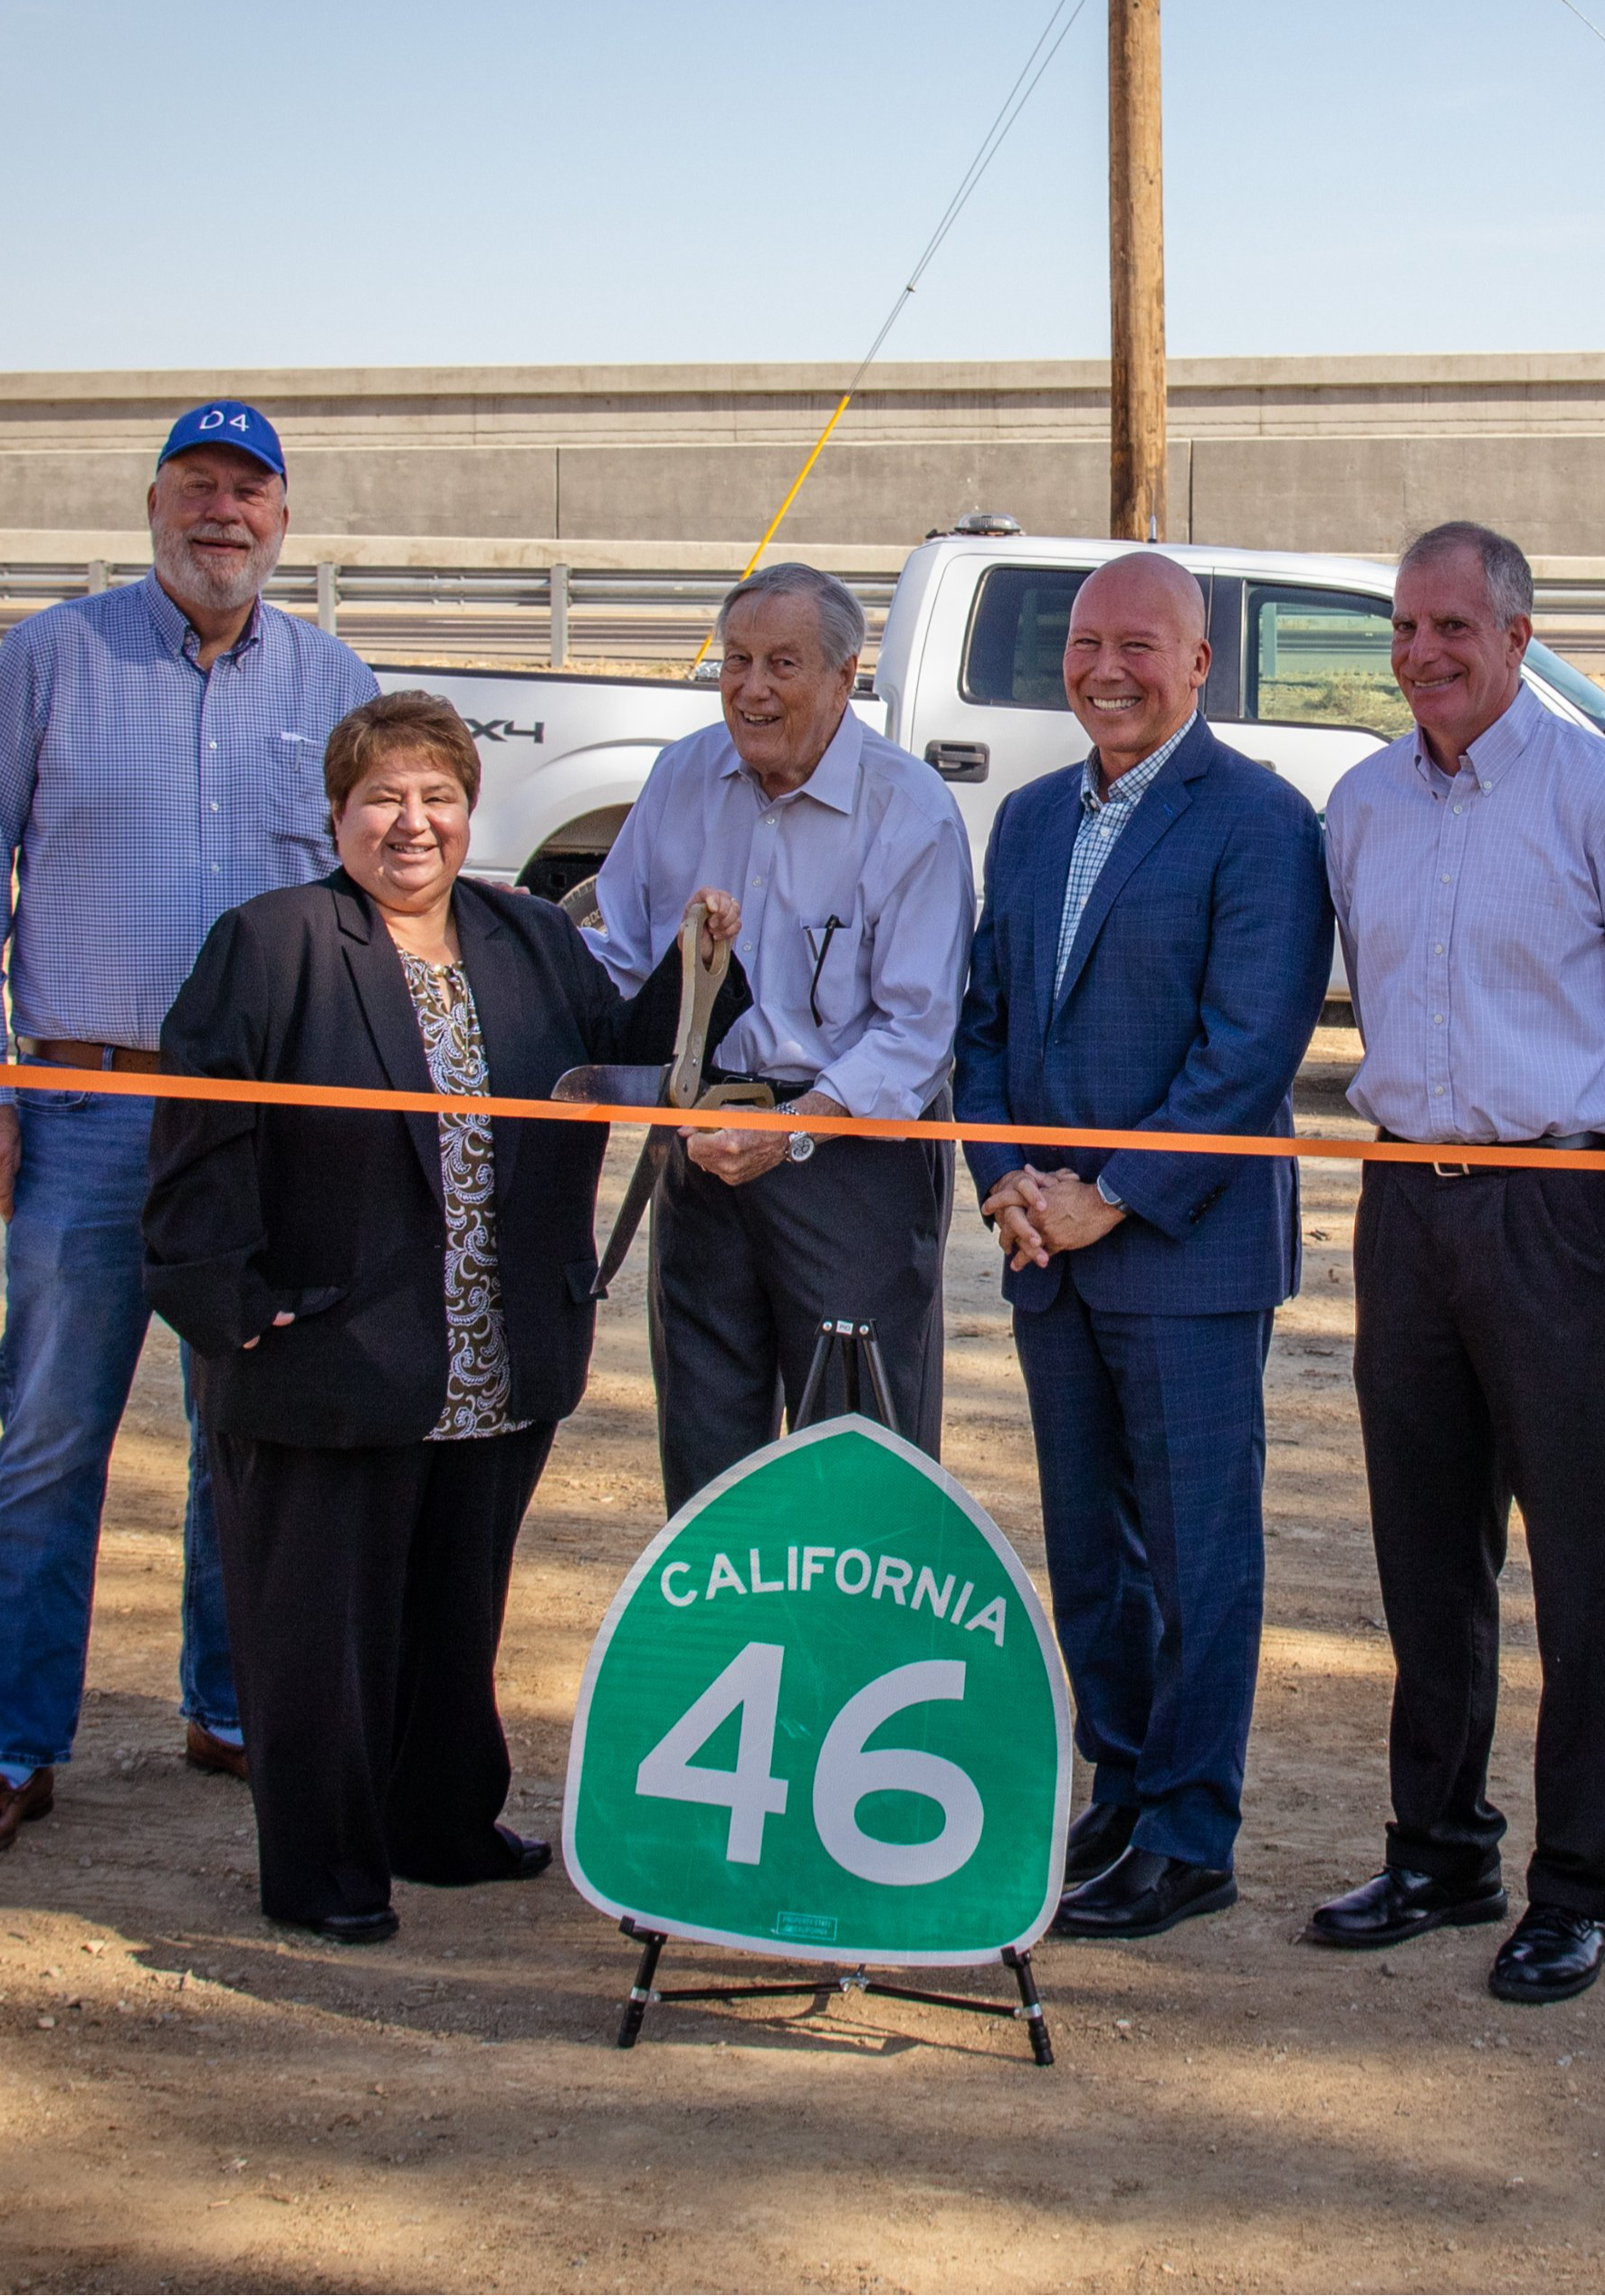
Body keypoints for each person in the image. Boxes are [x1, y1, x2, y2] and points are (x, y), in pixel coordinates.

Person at [145, 693, 740, 1942]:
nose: (411, 824)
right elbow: (199, 1143)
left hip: (492, 1353)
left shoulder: (529, 937)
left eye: (438, 798)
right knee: (322, 1634)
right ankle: (324, 1869)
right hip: (326, 1354)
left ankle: (442, 1824)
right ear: (338, 814)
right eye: (382, 798)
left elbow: (631, 1053)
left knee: (454, 1609)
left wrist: (705, 967)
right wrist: (230, 1312)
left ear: (471, 812)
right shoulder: (272, 942)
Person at [0, 400, 376, 1862]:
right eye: (198, 487)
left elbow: (377, 901)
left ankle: (228, 1707)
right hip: (85, 1108)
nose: (222, 514)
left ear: (284, 518)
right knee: (54, 1431)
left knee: (236, 1428)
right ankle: (17, 1742)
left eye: (249, 491)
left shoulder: (332, 681)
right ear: (155, 503)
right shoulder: (50, 659)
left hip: (258, 1123)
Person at [1303, 521, 1605, 2006]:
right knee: (1426, 1548)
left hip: (1565, 1211)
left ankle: (1578, 1884)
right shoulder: (1360, 805)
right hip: (1409, 1205)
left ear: (1519, 637)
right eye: (1405, 629)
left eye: (1452, 629)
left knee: (1583, 1571)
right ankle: (1438, 1847)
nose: (1422, 655)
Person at [953, 551, 1334, 1943]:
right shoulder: (1033, 814)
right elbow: (984, 1022)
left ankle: (1190, 1825)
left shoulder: (1259, 820)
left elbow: (1249, 1051)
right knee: (1090, 1546)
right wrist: (1005, 1181)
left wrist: (1109, 1192)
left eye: (1140, 645)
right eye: (1087, 641)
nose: (1106, 667)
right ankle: (1119, 1780)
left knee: (1197, 1548)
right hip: (1045, 1245)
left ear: (1198, 665)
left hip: (1180, 1244)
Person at [578, 563, 974, 1506]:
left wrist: (794, 1123)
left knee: (859, 1460)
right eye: (738, 660)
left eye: (782, 663)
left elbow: (918, 1030)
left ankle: (858, 1654)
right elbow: (620, 955)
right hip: (702, 1153)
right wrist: (509, 941)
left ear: (844, 678)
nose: (751, 688)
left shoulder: (908, 809)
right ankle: (728, 1649)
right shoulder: (683, 774)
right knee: (706, 1448)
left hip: (850, 1161)